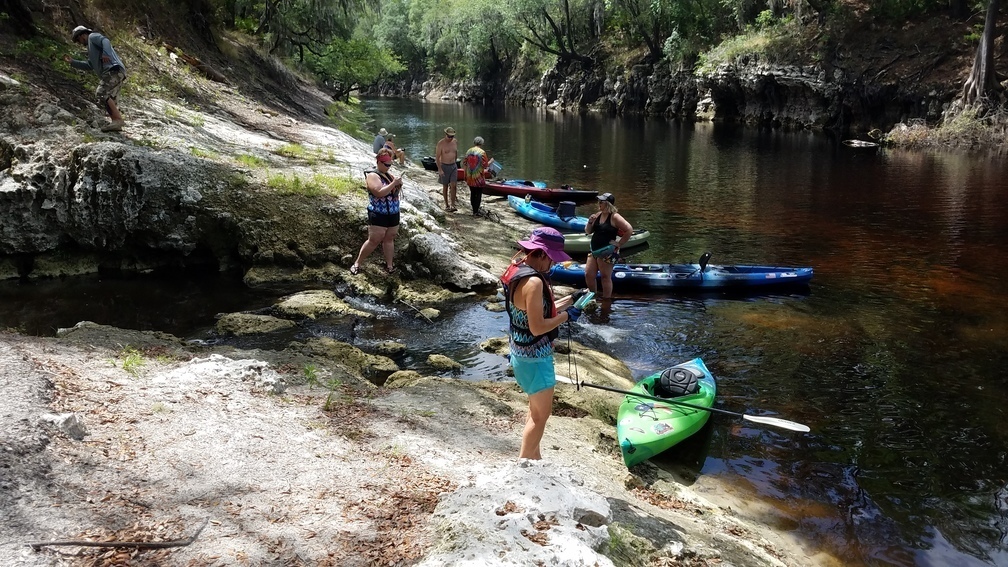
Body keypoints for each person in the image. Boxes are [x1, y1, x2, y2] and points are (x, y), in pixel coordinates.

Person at [503, 227, 586, 461]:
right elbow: (537, 327)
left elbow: (532, 313)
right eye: (552, 259)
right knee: (541, 416)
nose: (553, 265)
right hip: (536, 359)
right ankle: (524, 464)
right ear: (541, 253)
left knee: (535, 412)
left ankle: (534, 459)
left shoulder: (519, 270)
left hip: (520, 354)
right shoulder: (535, 282)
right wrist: (567, 316)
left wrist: (571, 299)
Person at [64, 25, 127, 132]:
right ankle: (116, 123)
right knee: (110, 98)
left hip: (113, 69)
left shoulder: (92, 37)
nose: (79, 42)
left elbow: (105, 41)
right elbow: (89, 65)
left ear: (83, 35)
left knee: (101, 93)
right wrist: (72, 62)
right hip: (116, 71)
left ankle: (117, 120)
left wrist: (106, 53)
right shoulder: (91, 48)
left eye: (78, 39)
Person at [350, 149, 403, 275]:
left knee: (390, 238)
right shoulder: (372, 175)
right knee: (374, 239)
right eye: (386, 165)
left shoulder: (389, 175)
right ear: (379, 162)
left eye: (390, 164)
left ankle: (390, 266)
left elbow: (393, 192)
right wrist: (393, 184)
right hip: (379, 213)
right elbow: (378, 192)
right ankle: (357, 263)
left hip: (393, 212)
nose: (389, 167)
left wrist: (398, 184)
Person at [584, 192, 633, 299]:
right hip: (594, 250)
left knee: (605, 277)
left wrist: (620, 243)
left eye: (601, 202)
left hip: (607, 251)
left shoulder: (615, 217)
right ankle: (593, 296)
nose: (599, 203)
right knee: (588, 275)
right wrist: (590, 222)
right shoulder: (597, 215)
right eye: (599, 201)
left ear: (607, 204)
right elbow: (588, 231)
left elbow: (629, 229)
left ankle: (606, 300)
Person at [463, 136, 494, 216]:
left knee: (472, 193)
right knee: (479, 193)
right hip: (478, 177)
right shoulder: (482, 152)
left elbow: (465, 164)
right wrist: (491, 161)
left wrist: (465, 174)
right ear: (482, 143)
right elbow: (485, 165)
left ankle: (474, 210)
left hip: (470, 176)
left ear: (474, 142)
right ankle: (476, 211)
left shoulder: (468, 151)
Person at [435, 127, 459, 212]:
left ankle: (453, 204)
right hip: (444, 166)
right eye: (449, 136)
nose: (450, 138)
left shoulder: (455, 142)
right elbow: (437, 158)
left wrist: (455, 162)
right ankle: (447, 204)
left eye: (452, 137)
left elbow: (456, 153)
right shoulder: (440, 143)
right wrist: (440, 169)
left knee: (454, 185)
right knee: (445, 186)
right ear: (446, 135)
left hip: (453, 166)